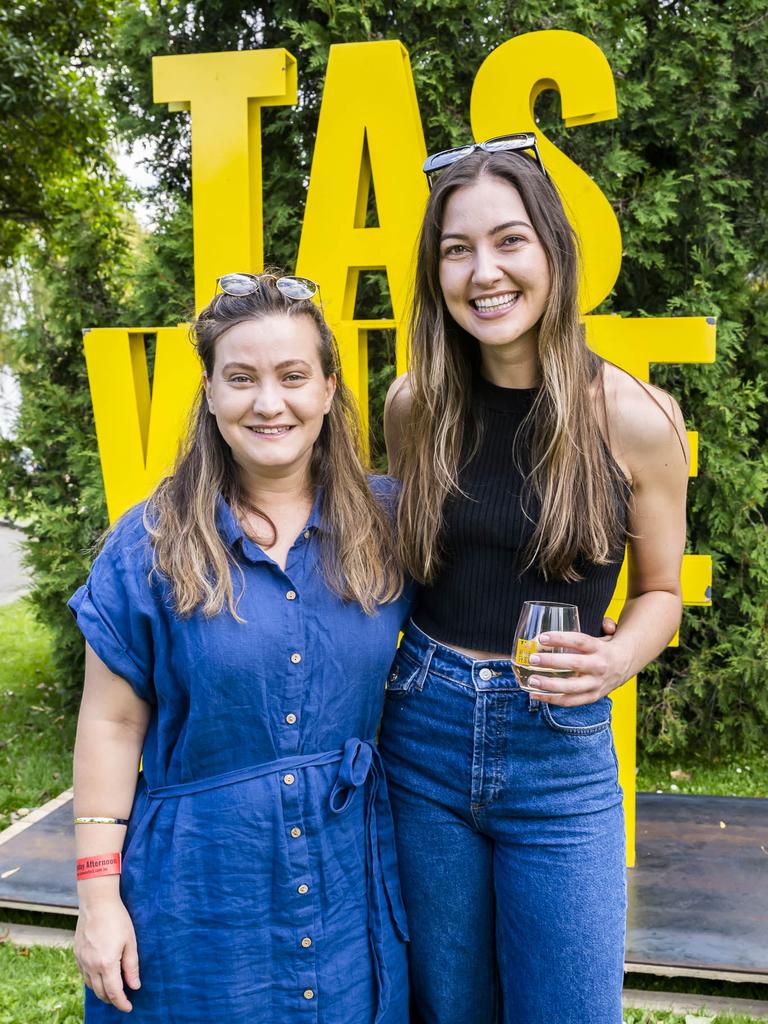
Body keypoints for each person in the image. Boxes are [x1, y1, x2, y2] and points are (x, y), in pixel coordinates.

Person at [378, 136, 689, 1024]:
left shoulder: (637, 419)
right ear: (437, 273)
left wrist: (616, 660)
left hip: (558, 748)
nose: (485, 272)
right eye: (457, 249)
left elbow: (659, 593)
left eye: (510, 241)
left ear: (554, 250)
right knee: (448, 1008)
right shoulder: (415, 407)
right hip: (423, 734)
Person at [69, 272, 411, 1023]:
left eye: (292, 376)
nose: (268, 402)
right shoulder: (150, 542)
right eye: (241, 378)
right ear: (211, 394)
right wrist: (97, 899)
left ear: (327, 388)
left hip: (349, 885)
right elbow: (110, 725)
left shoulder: (390, 527)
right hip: (199, 894)